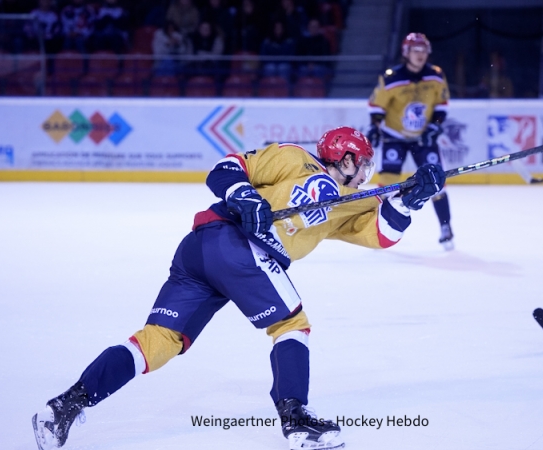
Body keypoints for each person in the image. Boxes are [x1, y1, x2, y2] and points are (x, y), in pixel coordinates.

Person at [31, 126, 446, 450]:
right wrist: (246, 198)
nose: (367, 173)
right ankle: (296, 421)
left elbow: (382, 233)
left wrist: (411, 200)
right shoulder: (293, 157)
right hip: (233, 242)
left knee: (159, 341)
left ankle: (66, 405)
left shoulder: (348, 203)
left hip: (203, 253)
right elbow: (226, 168)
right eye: (363, 164)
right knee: (291, 325)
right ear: (347, 157)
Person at [367, 32, 455, 250]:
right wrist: (376, 127)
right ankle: (377, 225)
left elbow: (442, 105)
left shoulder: (436, 76)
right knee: (387, 181)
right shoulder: (391, 77)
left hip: (423, 138)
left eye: (423, 50)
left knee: (437, 182)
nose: (420, 55)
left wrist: (434, 125)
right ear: (406, 53)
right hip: (395, 137)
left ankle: (446, 227)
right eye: (415, 50)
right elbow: (377, 107)